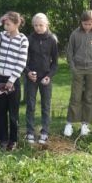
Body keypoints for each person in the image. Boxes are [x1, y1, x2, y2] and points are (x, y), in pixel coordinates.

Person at [0, 11, 28, 151]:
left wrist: (11, 80)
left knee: (13, 113)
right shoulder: (3, 35)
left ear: (17, 24)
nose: (5, 27)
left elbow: (21, 63)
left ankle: (13, 141)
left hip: (12, 81)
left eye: (8, 24)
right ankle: (2, 140)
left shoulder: (23, 40)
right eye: (4, 24)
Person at [64, 10, 92, 137]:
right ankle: (69, 123)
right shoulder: (75, 34)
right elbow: (69, 51)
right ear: (81, 22)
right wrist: (73, 67)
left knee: (89, 96)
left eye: (90, 24)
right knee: (75, 96)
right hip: (78, 70)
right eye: (85, 24)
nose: (87, 26)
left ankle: (85, 124)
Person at [24, 13, 58, 145]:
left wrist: (49, 76)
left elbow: (55, 63)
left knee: (45, 105)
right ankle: (30, 132)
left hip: (45, 78)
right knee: (30, 105)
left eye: (41, 25)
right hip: (31, 77)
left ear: (47, 24)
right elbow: (23, 61)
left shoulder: (52, 39)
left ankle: (44, 132)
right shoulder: (28, 39)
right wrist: (27, 73)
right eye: (36, 25)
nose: (38, 28)